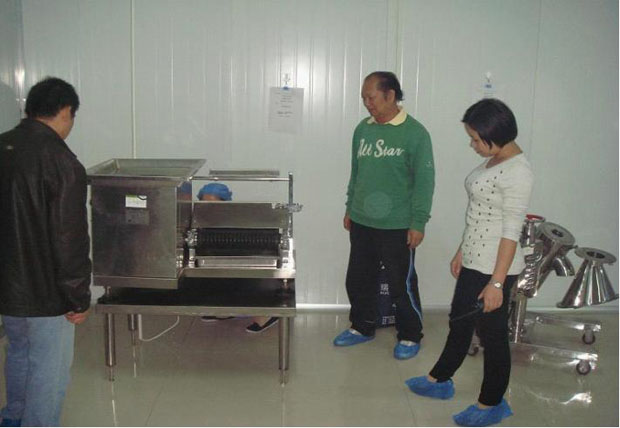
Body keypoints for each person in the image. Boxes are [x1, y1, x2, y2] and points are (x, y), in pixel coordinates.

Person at [405, 99, 534, 427]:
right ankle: (440, 379)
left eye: (476, 139)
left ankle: (491, 403)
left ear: (495, 134)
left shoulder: (518, 172)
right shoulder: (495, 160)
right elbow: (481, 215)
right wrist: (463, 250)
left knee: (493, 335)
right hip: (476, 259)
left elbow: (510, 232)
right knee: (460, 321)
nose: (472, 145)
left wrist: (496, 283)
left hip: (496, 267)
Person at [0, 77, 92, 427]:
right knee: (48, 369)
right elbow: (70, 239)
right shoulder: (61, 162)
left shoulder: (3, 146)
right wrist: (78, 297)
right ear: (66, 112)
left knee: (19, 352)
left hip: (8, 288)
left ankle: (12, 419)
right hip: (47, 293)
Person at [334, 71, 435, 360]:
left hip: (398, 224)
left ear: (390, 95)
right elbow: (356, 173)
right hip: (362, 220)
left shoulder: (415, 133)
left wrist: (418, 222)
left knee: (400, 283)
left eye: (372, 97)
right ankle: (362, 326)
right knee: (358, 278)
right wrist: (350, 207)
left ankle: (410, 335)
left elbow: (425, 182)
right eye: (364, 98)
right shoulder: (362, 130)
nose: (367, 103)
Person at [196, 183, 278, 333]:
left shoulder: (238, 219)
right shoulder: (201, 221)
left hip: (249, 263)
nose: (209, 208)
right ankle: (226, 310)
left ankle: (265, 315)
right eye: (205, 203)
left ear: (225, 203)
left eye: (214, 204)